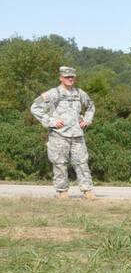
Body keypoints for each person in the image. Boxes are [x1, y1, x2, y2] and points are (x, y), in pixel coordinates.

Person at [31, 66, 95, 200]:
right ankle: (62, 192)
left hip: (77, 135)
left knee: (82, 163)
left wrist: (87, 120)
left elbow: (90, 106)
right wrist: (50, 121)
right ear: (61, 78)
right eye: (67, 77)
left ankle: (87, 191)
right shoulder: (53, 93)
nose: (70, 79)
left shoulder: (79, 93)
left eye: (72, 77)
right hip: (59, 135)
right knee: (59, 163)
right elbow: (35, 107)